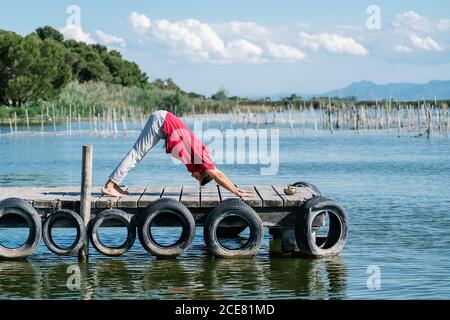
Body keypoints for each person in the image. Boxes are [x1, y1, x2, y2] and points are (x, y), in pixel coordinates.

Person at [102, 110, 253, 198]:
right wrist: (236, 191)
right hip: (161, 121)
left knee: (138, 154)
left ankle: (113, 185)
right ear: (202, 173)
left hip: (163, 122)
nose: (192, 176)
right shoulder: (202, 157)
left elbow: (217, 174)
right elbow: (218, 175)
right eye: (197, 178)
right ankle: (109, 186)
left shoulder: (198, 160)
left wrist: (235, 188)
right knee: (136, 154)